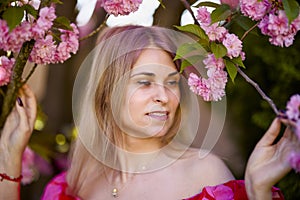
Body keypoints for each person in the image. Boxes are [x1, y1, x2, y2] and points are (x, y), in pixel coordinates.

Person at [0, 25, 298, 200]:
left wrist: (258, 192)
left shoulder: (205, 174)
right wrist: (11, 157)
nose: (164, 96)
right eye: (145, 82)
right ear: (106, 92)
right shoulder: (74, 184)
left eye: (171, 82)